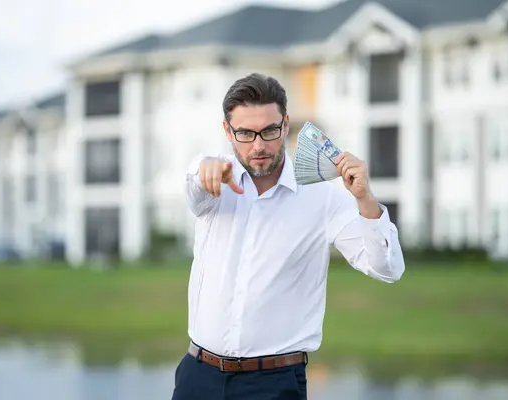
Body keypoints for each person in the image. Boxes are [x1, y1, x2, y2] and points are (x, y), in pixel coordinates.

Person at [172, 73, 405, 400]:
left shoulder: (324, 197)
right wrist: (203, 173)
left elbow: (388, 269)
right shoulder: (212, 180)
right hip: (198, 378)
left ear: (285, 124)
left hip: (274, 384)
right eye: (244, 133)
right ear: (228, 131)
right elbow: (194, 190)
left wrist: (365, 200)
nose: (259, 145)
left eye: (269, 130)